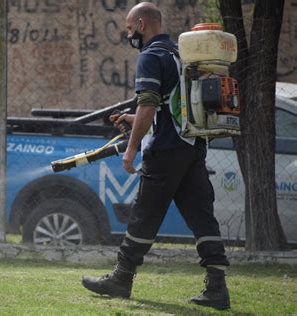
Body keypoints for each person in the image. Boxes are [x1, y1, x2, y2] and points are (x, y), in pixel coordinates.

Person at [81, 2, 231, 310]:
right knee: (202, 215)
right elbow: (171, 108)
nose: (128, 34)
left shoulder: (150, 57)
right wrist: (133, 118)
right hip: (191, 147)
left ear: (140, 24)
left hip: (164, 151)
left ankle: (122, 278)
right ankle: (217, 287)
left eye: (128, 28)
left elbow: (149, 104)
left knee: (144, 214)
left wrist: (132, 148)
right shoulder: (181, 55)